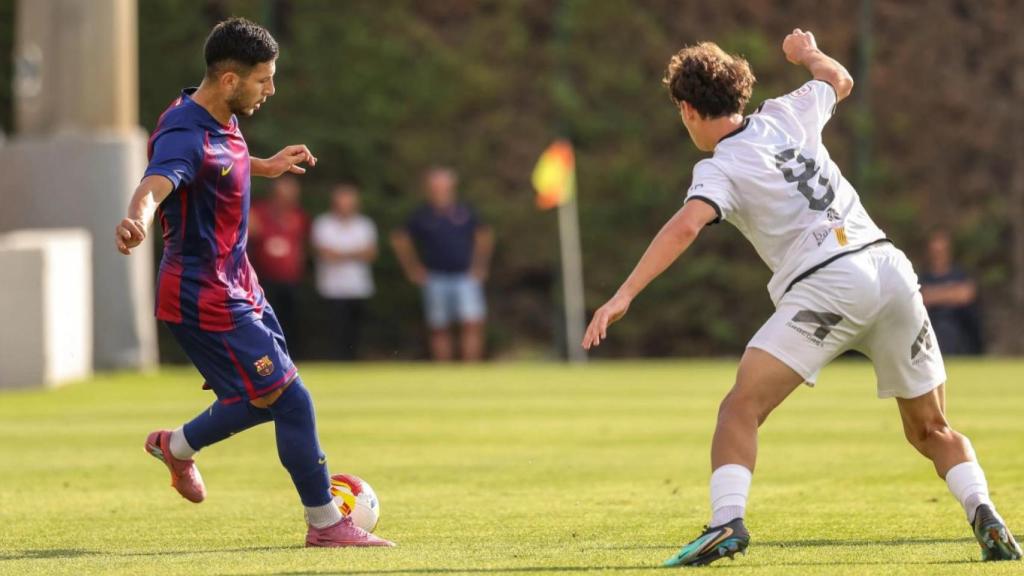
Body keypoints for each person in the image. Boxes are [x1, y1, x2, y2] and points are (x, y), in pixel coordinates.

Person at [582, 30, 1020, 566]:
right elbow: (838, 78)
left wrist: (623, 294)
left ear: (688, 110)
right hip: (890, 270)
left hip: (827, 283)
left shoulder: (718, 167)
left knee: (740, 408)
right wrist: (807, 53)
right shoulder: (786, 112)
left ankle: (726, 523)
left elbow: (686, 226)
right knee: (932, 428)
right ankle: (984, 512)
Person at [114, 18, 392, 548]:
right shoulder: (184, 133)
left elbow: (218, 165)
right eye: (264, 79)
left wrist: (265, 165)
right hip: (204, 295)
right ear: (229, 80)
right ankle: (325, 523)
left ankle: (175, 447)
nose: (271, 89)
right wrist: (136, 219)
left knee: (263, 398)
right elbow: (156, 183)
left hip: (240, 283)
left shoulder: (219, 116)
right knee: (292, 399)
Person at [391, 167, 494, 362]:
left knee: (472, 322)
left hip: (466, 276)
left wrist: (480, 266)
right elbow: (400, 238)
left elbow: (484, 236)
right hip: (435, 277)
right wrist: (413, 268)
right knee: (439, 327)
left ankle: (471, 368)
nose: (440, 190)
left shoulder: (466, 211)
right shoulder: (422, 215)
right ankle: (444, 370)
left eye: (443, 185)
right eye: (435, 186)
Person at [311, 184, 378, 360]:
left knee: (356, 331)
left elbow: (370, 254)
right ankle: (336, 360)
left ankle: (353, 360)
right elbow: (326, 254)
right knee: (336, 330)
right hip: (332, 288)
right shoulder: (323, 224)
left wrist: (340, 253)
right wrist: (355, 253)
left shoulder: (365, 224)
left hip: (359, 287)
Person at [248, 174, 309, 346]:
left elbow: (301, 245)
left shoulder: (298, 216)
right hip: (262, 280)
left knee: (290, 320)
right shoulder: (258, 212)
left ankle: (291, 353)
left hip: (291, 280)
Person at [920, 229, 984, 355]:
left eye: (941, 251)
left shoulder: (959, 275)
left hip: (957, 327)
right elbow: (920, 298)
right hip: (932, 326)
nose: (938, 255)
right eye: (935, 251)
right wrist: (950, 293)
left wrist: (933, 295)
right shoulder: (924, 277)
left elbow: (965, 295)